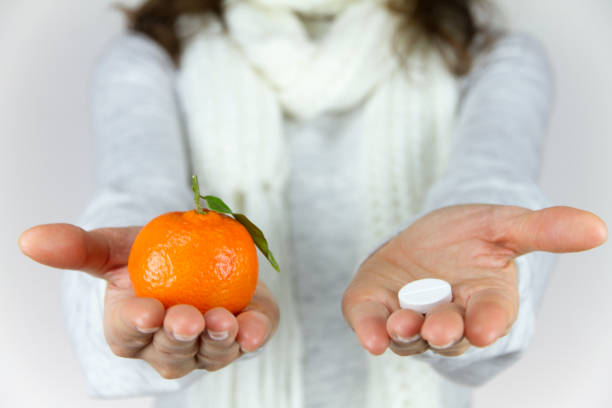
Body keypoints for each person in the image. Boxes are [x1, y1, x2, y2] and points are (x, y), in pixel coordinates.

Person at [18, 0, 607, 407]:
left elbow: (492, 188)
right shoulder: (152, 56)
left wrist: (478, 272)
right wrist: (123, 298)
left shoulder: (489, 56)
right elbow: (136, 198)